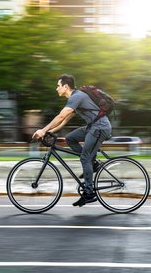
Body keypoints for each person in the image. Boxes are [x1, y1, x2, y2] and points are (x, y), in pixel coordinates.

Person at [32, 74, 112, 207]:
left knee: (85, 158)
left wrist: (43, 130)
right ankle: (92, 164)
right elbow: (63, 120)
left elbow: (61, 115)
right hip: (93, 127)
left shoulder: (77, 96)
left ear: (65, 86)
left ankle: (89, 192)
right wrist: (50, 132)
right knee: (70, 138)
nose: (56, 88)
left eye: (58, 86)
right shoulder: (75, 98)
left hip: (100, 128)